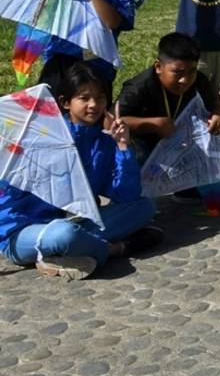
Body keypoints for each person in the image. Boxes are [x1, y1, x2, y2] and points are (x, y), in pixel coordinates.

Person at [0, 63, 160, 280]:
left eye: (100, 98)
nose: (93, 105)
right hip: (22, 232)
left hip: (72, 223)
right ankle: (115, 249)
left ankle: (66, 253)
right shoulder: (38, 138)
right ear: (66, 102)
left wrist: (123, 148)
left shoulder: (103, 143)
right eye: (84, 98)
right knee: (63, 235)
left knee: (145, 206)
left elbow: (127, 195)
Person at [117, 32, 220, 168]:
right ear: (158, 67)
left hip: (184, 141)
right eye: (177, 72)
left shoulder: (199, 80)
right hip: (146, 142)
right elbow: (110, 121)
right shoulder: (139, 87)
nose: (184, 80)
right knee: (138, 155)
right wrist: (153, 124)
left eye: (191, 71)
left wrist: (219, 114)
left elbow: (216, 106)